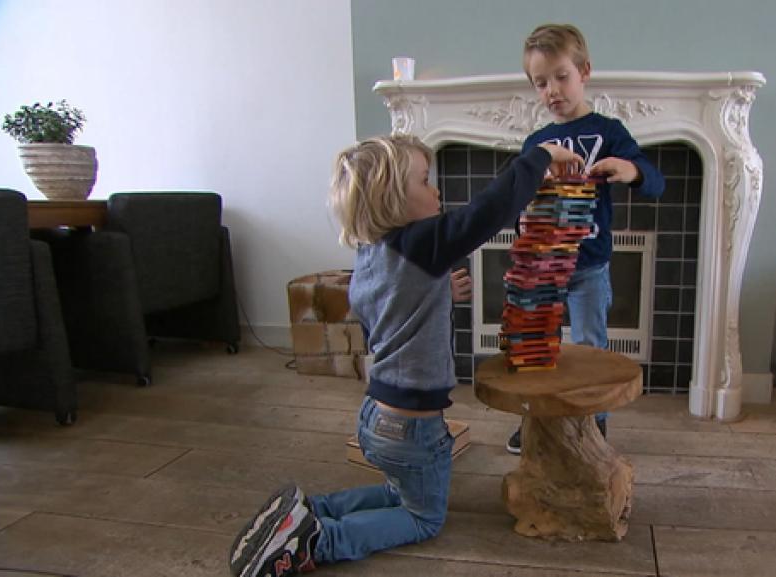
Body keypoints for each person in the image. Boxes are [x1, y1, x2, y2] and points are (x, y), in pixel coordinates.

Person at [227, 134, 583, 577]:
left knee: (401, 495)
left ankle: (310, 512)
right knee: (422, 517)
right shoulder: (421, 242)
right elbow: (489, 212)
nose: (436, 191)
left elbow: (391, 311)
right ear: (392, 198)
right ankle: (320, 542)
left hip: (377, 416)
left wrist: (437, 290)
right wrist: (540, 156)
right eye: (424, 180)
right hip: (412, 427)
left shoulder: (371, 255)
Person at [505, 23, 664, 455]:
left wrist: (629, 170)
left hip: (589, 267)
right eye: (541, 83)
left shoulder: (610, 131)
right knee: (535, 348)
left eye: (561, 76)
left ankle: (595, 425)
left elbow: (655, 181)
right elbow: (519, 195)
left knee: (591, 346)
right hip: (541, 268)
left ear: (584, 71)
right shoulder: (537, 142)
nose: (552, 90)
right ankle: (535, 419)